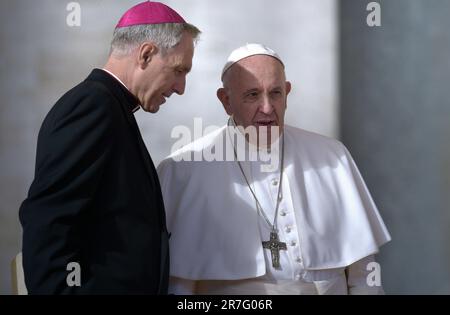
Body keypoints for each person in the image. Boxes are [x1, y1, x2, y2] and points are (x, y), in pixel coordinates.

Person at [157, 43, 391, 295]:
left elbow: (364, 275)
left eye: (276, 93)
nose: (267, 108)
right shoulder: (185, 169)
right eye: (253, 95)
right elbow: (177, 286)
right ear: (226, 100)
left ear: (287, 93)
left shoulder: (332, 157)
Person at [19, 1, 200, 294]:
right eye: (178, 70)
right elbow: (48, 223)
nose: (180, 87)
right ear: (146, 54)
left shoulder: (111, 108)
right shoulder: (93, 107)